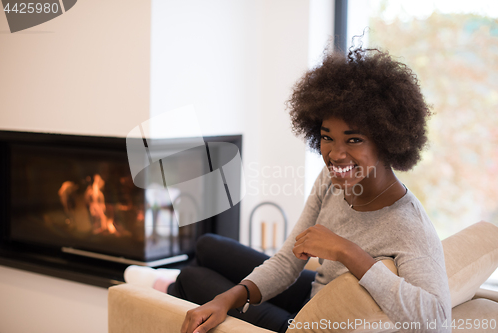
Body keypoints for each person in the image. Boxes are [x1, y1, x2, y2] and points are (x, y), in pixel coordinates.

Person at [168, 47, 452, 333]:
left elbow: (436, 321)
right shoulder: (331, 179)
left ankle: (169, 289)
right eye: (327, 137)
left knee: (191, 278)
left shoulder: (410, 227)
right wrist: (226, 299)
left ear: (387, 140)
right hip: (310, 293)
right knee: (206, 246)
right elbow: (287, 262)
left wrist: (347, 251)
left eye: (353, 140)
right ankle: (171, 288)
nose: (336, 154)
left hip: (305, 325)